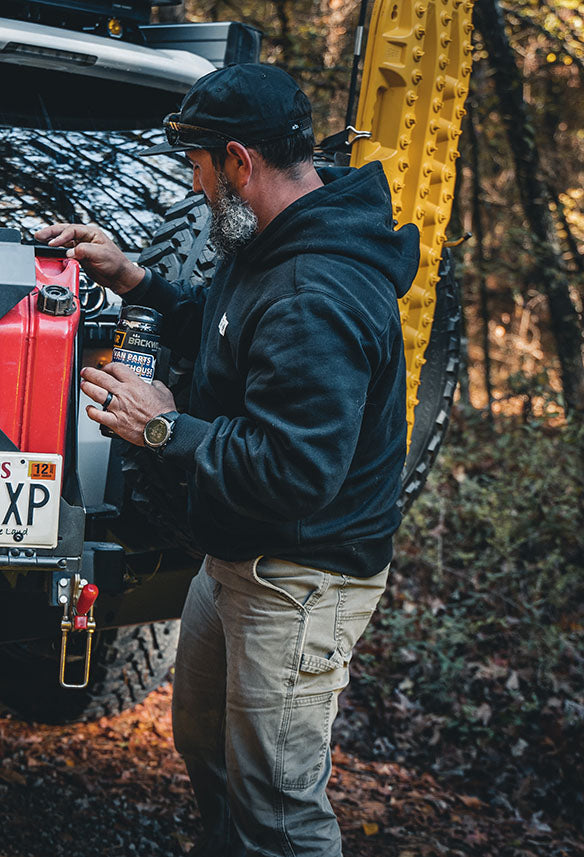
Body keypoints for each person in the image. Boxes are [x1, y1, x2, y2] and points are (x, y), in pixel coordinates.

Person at [35, 63, 419, 857]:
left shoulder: (317, 291)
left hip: (301, 577)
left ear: (239, 162)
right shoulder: (271, 242)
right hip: (236, 559)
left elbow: (295, 471)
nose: (197, 184)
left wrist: (167, 429)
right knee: (211, 755)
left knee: (277, 807)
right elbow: (219, 333)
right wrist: (133, 277)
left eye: (200, 168)